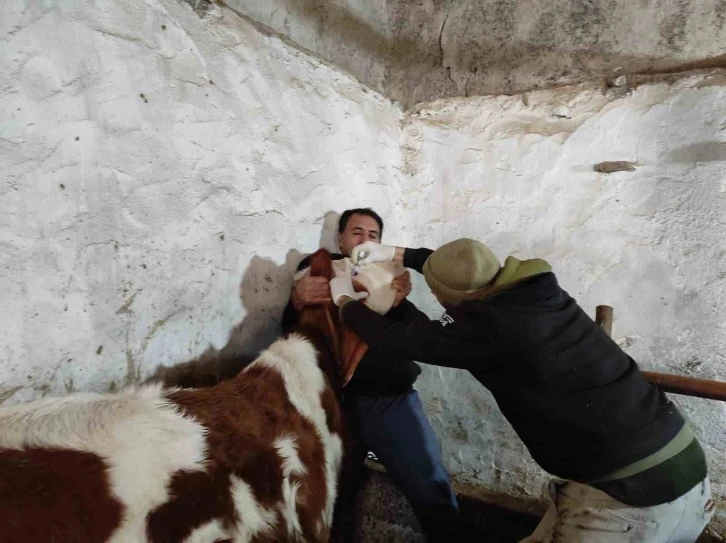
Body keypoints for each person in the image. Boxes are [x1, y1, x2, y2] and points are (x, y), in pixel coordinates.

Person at [329, 237, 714, 543]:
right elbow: (452, 286)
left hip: (631, 497)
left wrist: (345, 299)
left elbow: (408, 341)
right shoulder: (535, 292)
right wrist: (396, 251)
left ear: (458, 300)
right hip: (681, 466)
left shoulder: (493, 329)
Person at [281, 209, 464, 541]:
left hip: (390, 400)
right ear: (340, 238)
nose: (364, 239)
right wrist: (295, 299)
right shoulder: (318, 270)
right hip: (334, 408)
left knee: (429, 484)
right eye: (356, 232)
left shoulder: (391, 276)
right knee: (332, 496)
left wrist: (399, 302)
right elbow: (295, 331)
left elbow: (416, 335)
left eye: (373, 235)